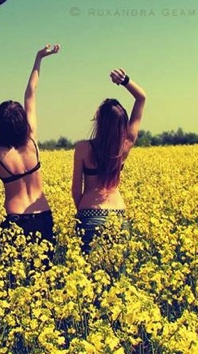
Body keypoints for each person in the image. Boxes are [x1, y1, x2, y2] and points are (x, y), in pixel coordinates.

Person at [0, 44, 60, 260]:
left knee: (13, 275)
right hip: (43, 215)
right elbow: (31, 94)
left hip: (16, 220)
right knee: (44, 275)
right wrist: (39, 58)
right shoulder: (32, 142)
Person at [72, 68, 146, 254]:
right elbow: (141, 98)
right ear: (123, 124)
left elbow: (76, 190)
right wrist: (125, 80)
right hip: (118, 213)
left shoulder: (83, 148)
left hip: (90, 212)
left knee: (87, 271)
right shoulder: (126, 145)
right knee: (117, 270)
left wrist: (85, 212)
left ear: (98, 119)